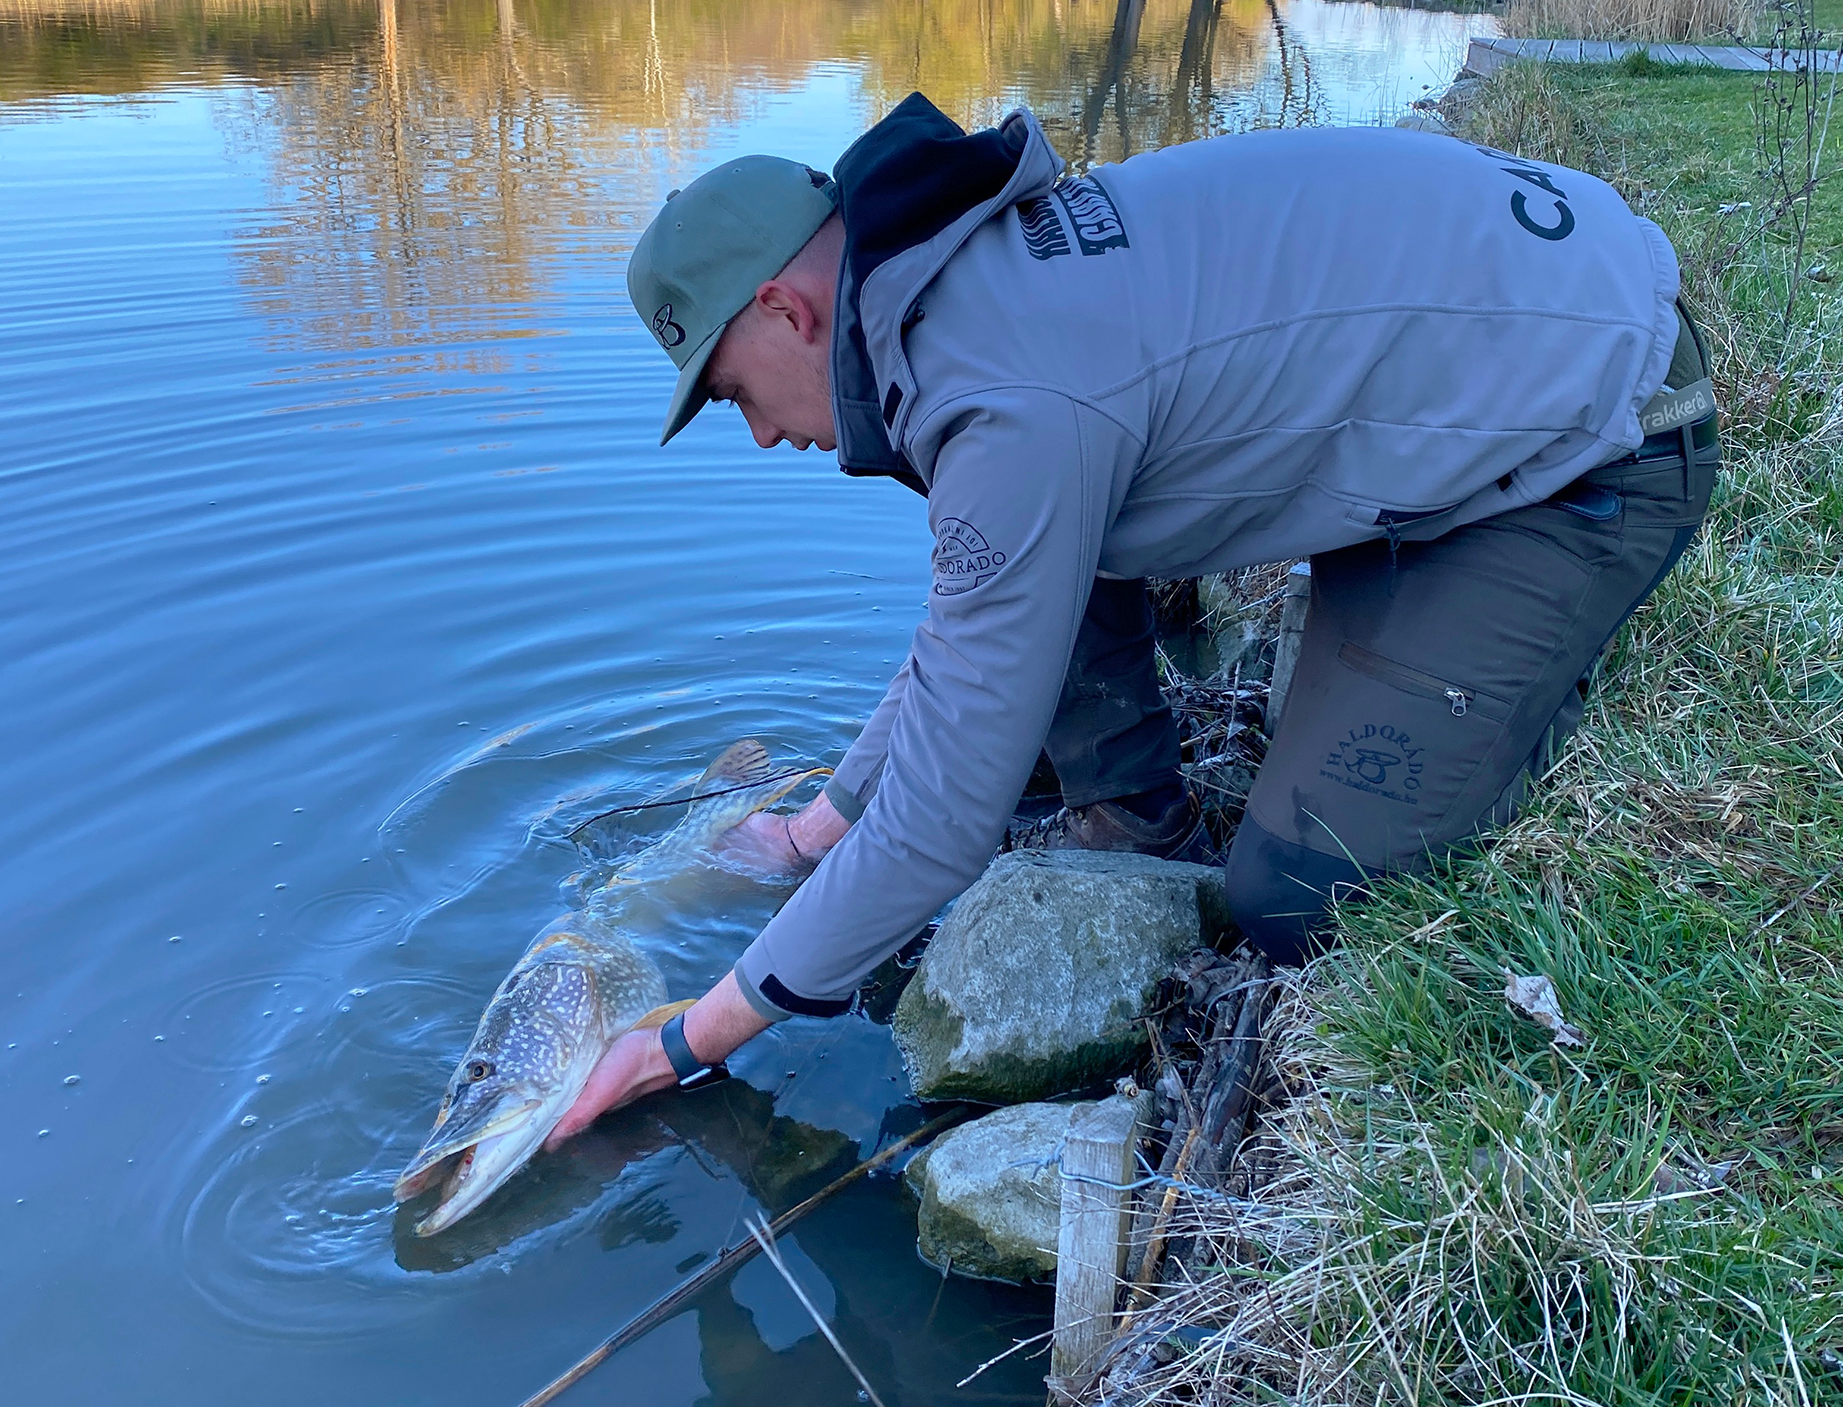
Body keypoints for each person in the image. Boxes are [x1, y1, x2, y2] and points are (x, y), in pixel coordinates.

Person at [543, 93, 1718, 1148]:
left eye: (734, 391)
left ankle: (1523, 706)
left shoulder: (1003, 396)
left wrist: (687, 1038)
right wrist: (819, 828)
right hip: (1501, 341)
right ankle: (1141, 830)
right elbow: (976, 625)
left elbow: (944, 820)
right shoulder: (960, 286)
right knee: (1064, 571)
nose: (757, 433)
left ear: (782, 309)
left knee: (1303, 892)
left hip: (1599, 434)